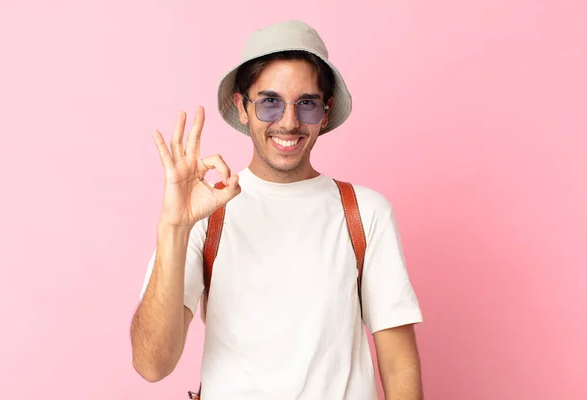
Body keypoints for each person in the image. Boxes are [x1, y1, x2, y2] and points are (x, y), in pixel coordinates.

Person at [130, 20, 424, 399]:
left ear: (325, 109)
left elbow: (399, 363)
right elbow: (151, 364)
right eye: (270, 102)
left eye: (306, 103)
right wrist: (174, 226)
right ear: (242, 107)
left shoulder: (364, 213)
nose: (288, 122)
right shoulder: (207, 215)